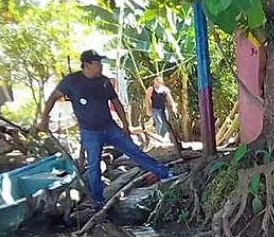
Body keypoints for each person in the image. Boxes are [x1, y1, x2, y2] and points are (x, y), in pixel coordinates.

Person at [38, 50, 173, 210]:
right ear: (87, 65)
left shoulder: (103, 81)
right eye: (98, 63)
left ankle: (164, 173)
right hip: (89, 132)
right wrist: (45, 118)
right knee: (94, 165)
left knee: (134, 151)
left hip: (110, 127)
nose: (101, 66)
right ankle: (98, 200)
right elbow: (53, 97)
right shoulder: (71, 81)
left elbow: (116, 102)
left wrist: (125, 124)